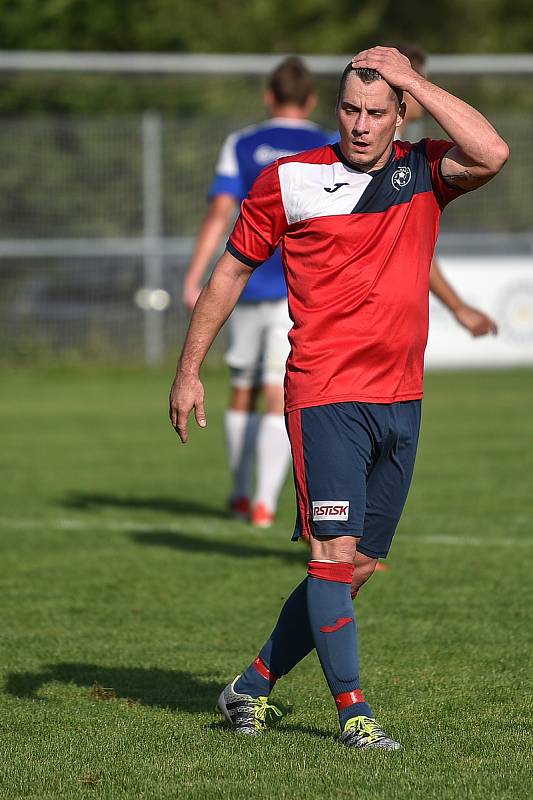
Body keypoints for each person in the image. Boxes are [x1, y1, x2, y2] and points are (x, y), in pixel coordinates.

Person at [169, 47, 508, 748]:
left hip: (402, 398)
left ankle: (250, 686)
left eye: (376, 112)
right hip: (324, 392)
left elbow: (492, 150)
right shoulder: (287, 180)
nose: (359, 124)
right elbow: (229, 274)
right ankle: (353, 714)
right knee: (331, 554)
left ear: (399, 114)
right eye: (349, 109)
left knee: (356, 567)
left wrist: (412, 78)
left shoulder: (423, 172)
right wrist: (188, 368)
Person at [182, 57, 333, 528]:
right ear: (310, 100)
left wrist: (196, 276)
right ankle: (267, 503)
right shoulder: (329, 143)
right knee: (277, 394)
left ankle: (240, 491)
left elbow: (219, 212)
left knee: (241, 393)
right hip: (299, 290)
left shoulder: (242, 143)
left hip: (243, 283)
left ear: (270, 95)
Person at [396, 43, 498, 337]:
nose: (426, 92)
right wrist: (458, 308)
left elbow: (410, 247)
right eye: (421, 82)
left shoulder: (408, 155)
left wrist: (458, 308)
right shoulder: (370, 157)